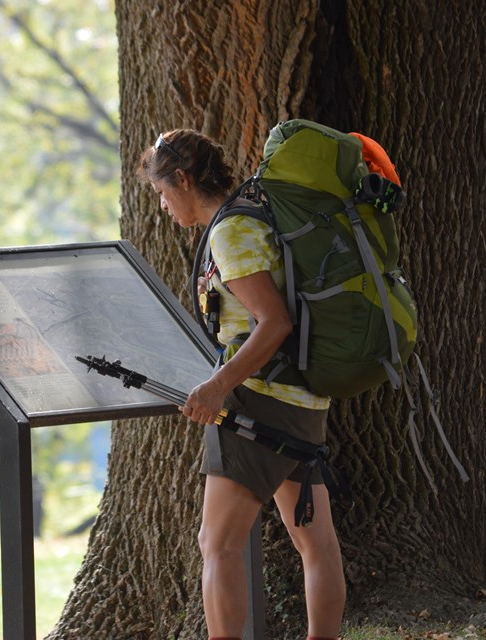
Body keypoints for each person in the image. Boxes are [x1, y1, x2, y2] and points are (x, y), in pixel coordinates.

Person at [138, 129, 345, 640]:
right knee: (315, 543)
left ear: (183, 179)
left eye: (163, 193)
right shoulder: (255, 216)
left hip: (259, 402)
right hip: (302, 398)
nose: (164, 206)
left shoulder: (231, 232)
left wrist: (215, 387)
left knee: (219, 544)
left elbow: (273, 323)